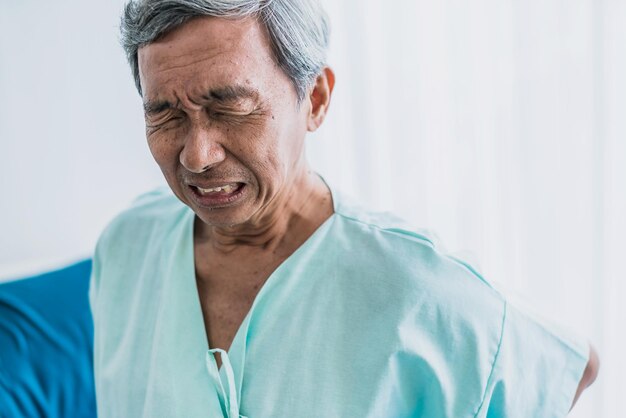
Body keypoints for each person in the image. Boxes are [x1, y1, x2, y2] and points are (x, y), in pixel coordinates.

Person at [89, 1, 599, 417]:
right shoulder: (127, 247)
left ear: (314, 99)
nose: (198, 155)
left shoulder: (418, 287)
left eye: (230, 108)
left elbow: (572, 369)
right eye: (165, 114)